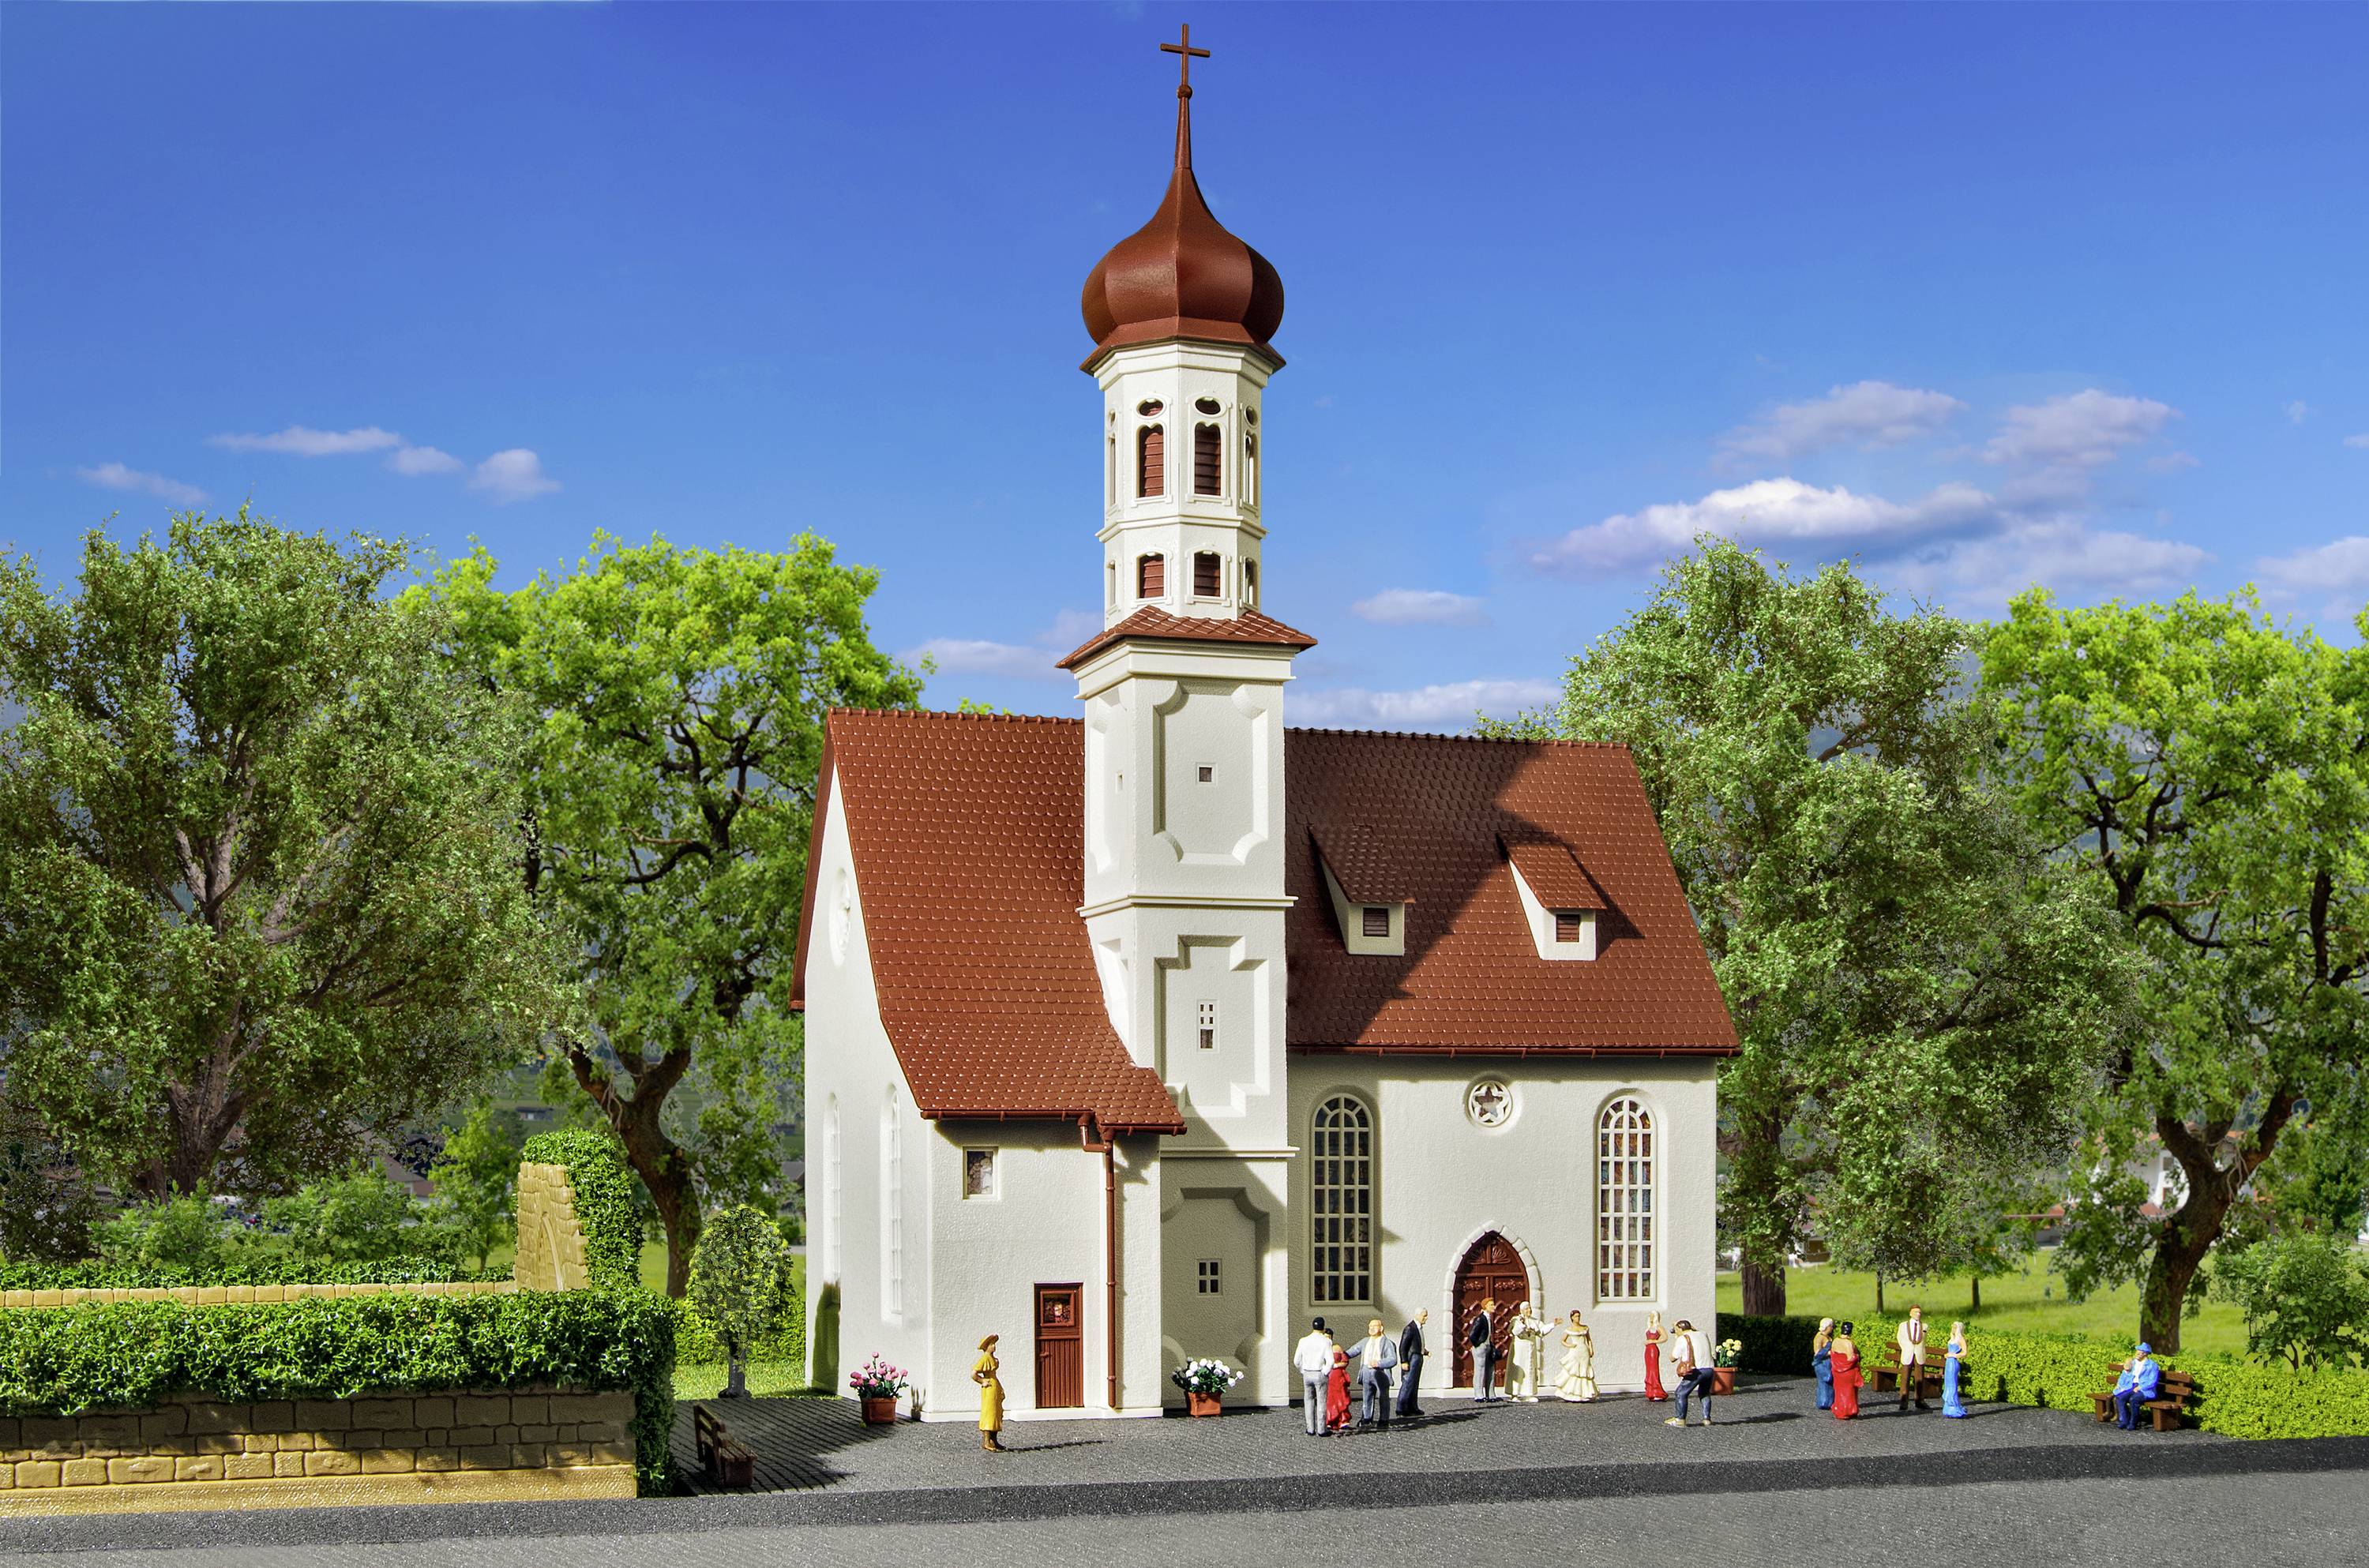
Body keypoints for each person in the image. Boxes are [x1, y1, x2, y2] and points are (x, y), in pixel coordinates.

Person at [1342, 1318, 1401, 1429]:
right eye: (1370, 1327)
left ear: (1381, 1328)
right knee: (1367, 1395)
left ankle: (1384, 1419)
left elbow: (1393, 1359)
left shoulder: (1388, 1343)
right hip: (1366, 1372)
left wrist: (1379, 1363)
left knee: (1383, 1396)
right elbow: (1353, 1351)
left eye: (1374, 1326)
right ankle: (1367, 1418)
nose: (1371, 1328)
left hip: (1380, 1372)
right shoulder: (1365, 1341)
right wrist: (1339, 1355)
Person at [1664, 1318, 1717, 1427]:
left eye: (1676, 1329)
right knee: (1704, 1393)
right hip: (1709, 1369)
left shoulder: (1682, 1338)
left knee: (1680, 1393)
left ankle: (1680, 1419)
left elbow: (1673, 1358)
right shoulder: (1703, 1334)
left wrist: (1677, 1339)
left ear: (1679, 1328)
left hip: (1696, 1371)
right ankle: (1707, 1419)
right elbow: (1694, 1331)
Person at [1294, 1318, 1336, 1437]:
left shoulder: (1303, 1340)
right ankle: (1321, 1429)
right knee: (1321, 1401)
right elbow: (1331, 1361)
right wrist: (1325, 1372)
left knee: (1308, 1400)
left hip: (1307, 1373)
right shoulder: (1326, 1341)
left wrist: (1303, 1370)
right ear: (1323, 1328)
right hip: (1319, 1373)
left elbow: (1296, 1360)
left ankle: (1310, 1429)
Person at [2112, 1343, 2164, 1431]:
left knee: (2134, 1399)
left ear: (2146, 1354)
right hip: (2131, 1386)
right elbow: (2125, 1375)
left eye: (2141, 1353)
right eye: (2138, 1352)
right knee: (2120, 1398)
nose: (2138, 1355)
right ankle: (2124, 1420)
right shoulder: (2133, 1363)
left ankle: (2133, 1422)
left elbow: (2152, 1381)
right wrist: (2121, 1382)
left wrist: (2141, 1387)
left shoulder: (2152, 1365)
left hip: (2145, 1390)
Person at [1554, 1309, 1599, 1401]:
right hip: (1575, 1352)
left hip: (1584, 1351)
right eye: (1575, 1316)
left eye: (1579, 1316)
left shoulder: (1585, 1328)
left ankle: (1586, 1393)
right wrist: (1570, 1345)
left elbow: (1589, 1340)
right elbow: (1563, 1341)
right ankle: (1572, 1393)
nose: (1577, 1318)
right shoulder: (1569, 1329)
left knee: (1584, 1371)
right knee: (1575, 1371)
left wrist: (1591, 1349)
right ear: (1572, 1318)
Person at [1509, 1301, 1549, 1402]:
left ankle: (1528, 1394)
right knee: (1518, 1372)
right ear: (1521, 1310)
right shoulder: (1516, 1320)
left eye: (1530, 1308)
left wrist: (1553, 1324)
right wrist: (1522, 1324)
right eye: (1527, 1309)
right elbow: (1514, 1331)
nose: (1529, 1310)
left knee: (1530, 1370)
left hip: (1530, 1350)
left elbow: (1542, 1331)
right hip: (1519, 1350)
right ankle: (1515, 1394)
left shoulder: (1534, 1321)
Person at [1895, 1304, 1932, 1412]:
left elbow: (1924, 1340)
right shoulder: (1903, 1325)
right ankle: (1904, 1400)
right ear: (1910, 1313)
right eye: (1916, 1312)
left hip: (1919, 1353)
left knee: (1919, 1377)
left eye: (1919, 1312)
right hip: (1908, 1353)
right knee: (1905, 1377)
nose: (1918, 1314)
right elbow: (1900, 1338)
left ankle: (1919, 1400)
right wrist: (1906, 1347)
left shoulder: (1924, 1326)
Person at [973, 1334, 1005, 1452]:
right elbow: (974, 1373)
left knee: (997, 1412)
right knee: (989, 1412)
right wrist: (982, 1381)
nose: (994, 1346)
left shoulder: (992, 1358)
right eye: (992, 1344)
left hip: (994, 1386)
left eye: (994, 1344)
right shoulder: (985, 1359)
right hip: (989, 1388)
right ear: (986, 1347)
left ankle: (994, 1440)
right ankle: (986, 1441)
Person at [1395, 1309, 1429, 1417]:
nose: (1426, 1318)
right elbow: (1403, 1347)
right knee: (1407, 1383)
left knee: (1414, 1384)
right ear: (1418, 1315)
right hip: (1412, 1358)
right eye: (1424, 1316)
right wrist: (1404, 1361)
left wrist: (1424, 1351)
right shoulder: (1410, 1328)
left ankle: (1412, 1407)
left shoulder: (1418, 1328)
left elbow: (1417, 1343)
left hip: (1418, 1356)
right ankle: (1401, 1408)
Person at [1469, 1297, 1500, 1402]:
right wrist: (1478, 1345)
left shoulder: (1489, 1318)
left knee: (1490, 1370)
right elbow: (1472, 1335)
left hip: (1488, 1347)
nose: (1493, 1307)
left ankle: (1491, 1394)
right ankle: (1479, 1395)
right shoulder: (1480, 1319)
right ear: (1485, 1306)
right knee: (1480, 1371)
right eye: (1491, 1305)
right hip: (1481, 1347)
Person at [1830, 1321, 1862, 1420]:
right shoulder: (1849, 1343)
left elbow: (1832, 1354)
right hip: (1848, 1372)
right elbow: (1851, 1358)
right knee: (1849, 1392)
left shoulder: (1835, 1341)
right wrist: (1857, 1356)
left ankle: (1839, 1409)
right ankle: (1848, 1410)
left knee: (1839, 1391)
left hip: (1837, 1371)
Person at [1325, 1340, 1354, 1434]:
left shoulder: (1337, 1348)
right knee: (1329, 1399)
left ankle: (1343, 1420)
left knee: (1341, 1398)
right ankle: (1329, 1420)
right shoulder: (1322, 1349)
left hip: (1338, 1376)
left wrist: (1336, 1365)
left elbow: (1345, 1361)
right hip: (1328, 1377)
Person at [1943, 1322, 1969, 1419]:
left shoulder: (1960, 1339)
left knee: (1952, 1384)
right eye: (1952, 1327)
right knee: (1948, 1383)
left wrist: (1954, 1355)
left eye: (1954, 1327)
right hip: (1948, 1363)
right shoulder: (1952, 1338)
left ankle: (1954, 1407)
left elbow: (1965, 1352)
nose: (1953, 1329)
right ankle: (1948, 1408)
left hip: (1953, 1363)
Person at [1643, 1311, 1669, 1402]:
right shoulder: (1649, 1327)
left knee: (1654, 1370)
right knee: (1649, 1370)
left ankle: (1657, 1391)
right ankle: (1651, 1391)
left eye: (1652, 1316)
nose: (1650, 1317)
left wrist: (1653, 1341)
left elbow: (1665, 1337)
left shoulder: (1658, 1327)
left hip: (1653, 1349)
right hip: (1648, 1350)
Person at [1811, 1317, 1836, 1411]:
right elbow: (1818, 1353)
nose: (1832, 1328)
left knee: (1830, 1382)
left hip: (1828, 1362)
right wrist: (1830, 1353)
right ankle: (1824, 1401)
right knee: (1825, 1381)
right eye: (1831, 1326)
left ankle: (1830, 1401)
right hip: (1822, 1363)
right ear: (1826, 1327)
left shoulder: (1827, 1336)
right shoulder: (1819, 1337)